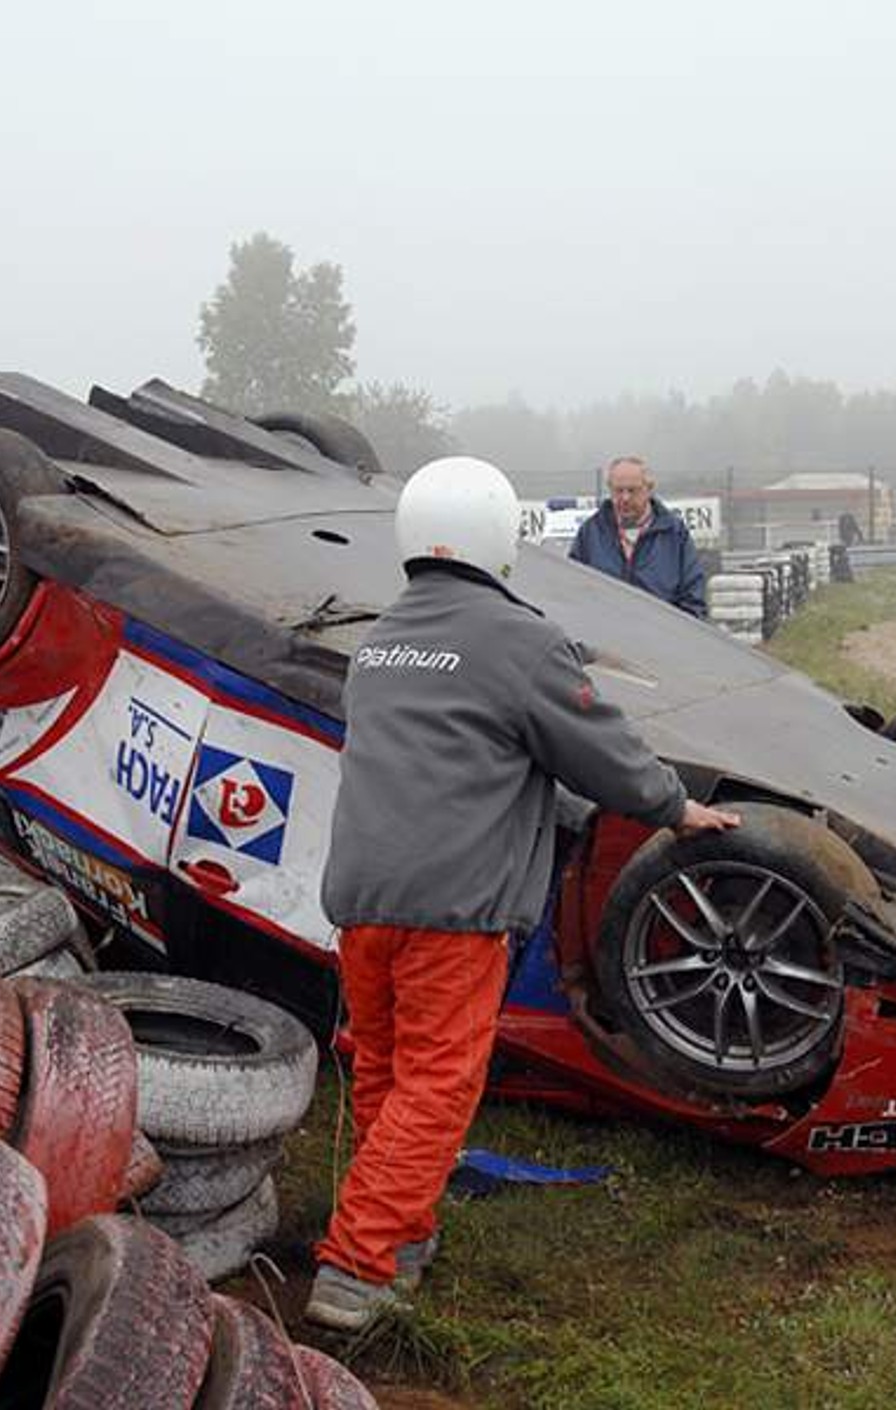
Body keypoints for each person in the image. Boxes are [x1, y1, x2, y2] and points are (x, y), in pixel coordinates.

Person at [305, 455, 740, 1331]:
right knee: (438, 1086)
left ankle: (405, 1235)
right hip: (452, 911)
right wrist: (673, 805)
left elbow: (463, 753)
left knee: (388, 1075)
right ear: (503, 540)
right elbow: (601, 749)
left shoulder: (380, 641)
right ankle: (357, 1266)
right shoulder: (522, 641)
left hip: (362, 899)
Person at [569, 456, 706, 615]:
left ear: (649, 489)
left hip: (660, 635)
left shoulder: (674, 535)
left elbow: (693, 598)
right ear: (610, 489)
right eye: (618, 491)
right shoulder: (590, 533)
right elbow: (573, 594)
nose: (625, 498)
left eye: (632, 490)